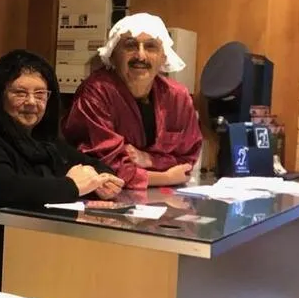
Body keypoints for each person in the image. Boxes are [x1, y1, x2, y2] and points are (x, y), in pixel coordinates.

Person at [0, 50, 123, 290]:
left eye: (40, 94)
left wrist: (102, 181)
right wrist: (71, 186)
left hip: (36, 261)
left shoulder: (45, 141)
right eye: (20, 92)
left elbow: (95, 165)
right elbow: (4, 190)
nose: (31, 102)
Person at [63, 13, 202, 190]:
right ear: (113, 55)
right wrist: (166, 177)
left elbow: (187, 160)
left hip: (163, 198)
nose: (141, 56)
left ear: (164, 57)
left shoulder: (178, 97)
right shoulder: (96, 92)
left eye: (150, 47)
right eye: (130, 46)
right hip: (105, 196)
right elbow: (103, 165)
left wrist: (149, 159)